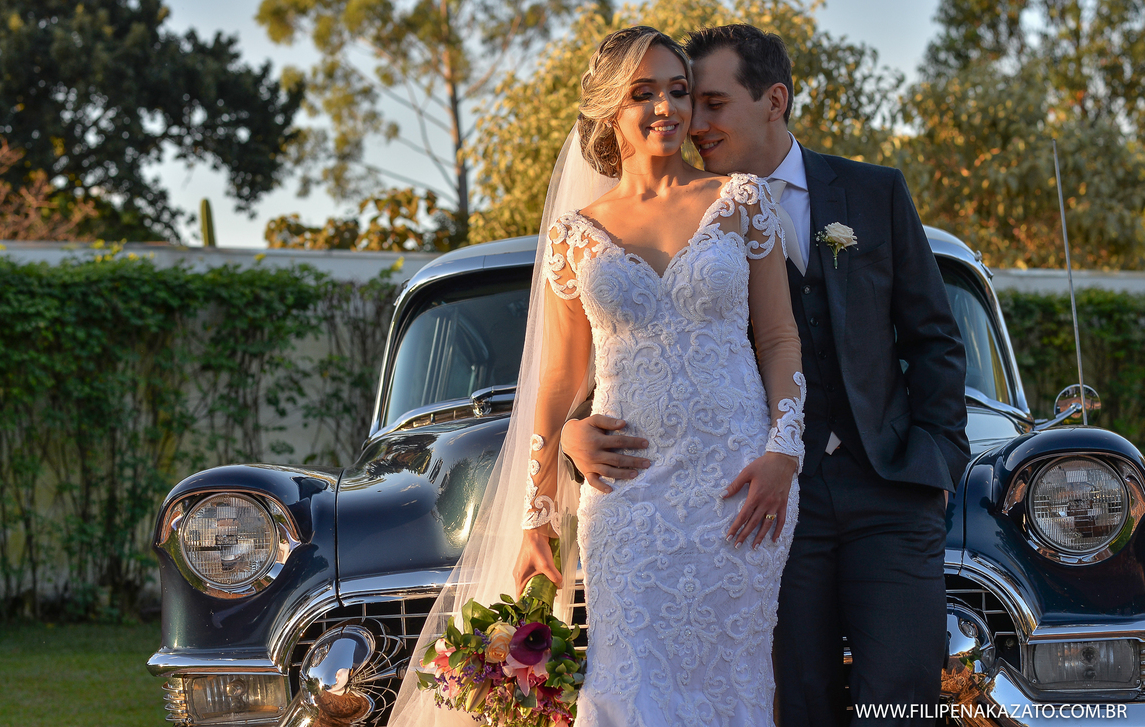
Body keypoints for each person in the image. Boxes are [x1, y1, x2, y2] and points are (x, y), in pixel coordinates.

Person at [390, 24, 807, 727]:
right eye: (644, 93)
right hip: (627, 498)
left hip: (738, 489)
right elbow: (557, 383)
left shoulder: (742, 201)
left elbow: (778, 338)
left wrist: (783, 453)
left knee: (736, 684)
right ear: (611, 107)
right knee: (626, 687)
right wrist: (539, 513)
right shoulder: (574, 235)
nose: (666, 108)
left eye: (678, 91)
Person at [560, 24, 970, 727]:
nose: (691, 120)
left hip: (890, 492)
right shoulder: (697, 214)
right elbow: (624, 350)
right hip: (758, 497)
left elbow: (933, 337)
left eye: (709, 101)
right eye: (685, 99)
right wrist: (572, 435)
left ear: (773, 100)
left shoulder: (873, 192)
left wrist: (936, 463)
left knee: (901, 699)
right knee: (796, 700)